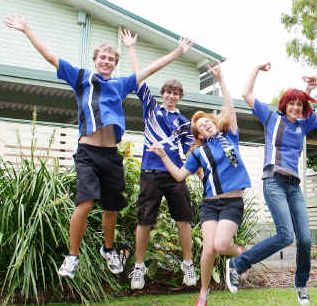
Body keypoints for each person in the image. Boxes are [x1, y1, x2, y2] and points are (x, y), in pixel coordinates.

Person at [4, 16, 193, 279]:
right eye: (102, 58)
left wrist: (178, 52)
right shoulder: (81, 78)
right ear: (95, 60)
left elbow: (149, 71)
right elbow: (50, 57)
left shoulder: (120, 84)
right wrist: (27, 29)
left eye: (111, 59)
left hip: (111, 154)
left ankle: (108, 249)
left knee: (111, 205)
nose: (106, 62)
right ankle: (72, 256)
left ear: (115, 65)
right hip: (88, 153)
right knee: (85, 201)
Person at [225, 62, 317, 306]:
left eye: (299, 104)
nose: (295, 107)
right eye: (292, 103)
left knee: (304, 239)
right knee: (286, 236)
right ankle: (238, 263)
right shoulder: (272, 117)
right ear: (285, 105)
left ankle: (302, 285)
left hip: (294, 186)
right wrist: (256, 69)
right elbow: (246, 94)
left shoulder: (303, 125)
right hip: (273, 181)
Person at [148, 63, 249, 306]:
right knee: (208, 249)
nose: (206, 124)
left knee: (222, 244)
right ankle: (203, 293)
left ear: (215, 124)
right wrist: (163, 156)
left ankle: (242, 255)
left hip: (232, 202)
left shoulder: (230, 137)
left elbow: (230, 107)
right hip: (209, 205)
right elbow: (180, 176)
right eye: (201, 126)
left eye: (208, 121)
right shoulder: (197, 153)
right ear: (200, 134)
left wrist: (221, 79)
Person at [120, 30, 197, 290]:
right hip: (150, 173)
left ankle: (188, 264)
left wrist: (198, 172)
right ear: (162, 94)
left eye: (176, 93)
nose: (172, 96)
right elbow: (139, 76)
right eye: (168, 92)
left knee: (183, 220)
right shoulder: (151, 108)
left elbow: (190, 154)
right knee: (145, 221)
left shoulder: (185, 123)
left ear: (180, 96)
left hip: (174, 174)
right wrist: (130, 48)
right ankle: (139, 267)